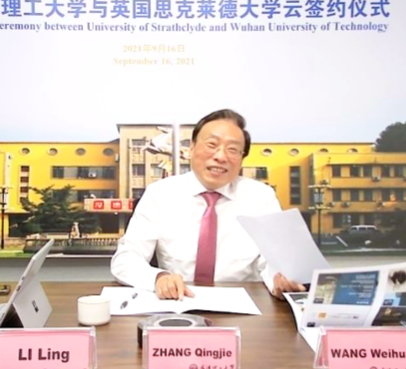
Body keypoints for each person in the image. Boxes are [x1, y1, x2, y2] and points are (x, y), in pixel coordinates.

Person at [111, 109, 302, 300]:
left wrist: (279, 281)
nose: (221, 156)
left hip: (241, 305)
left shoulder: (260, 197)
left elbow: (273, 261)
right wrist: (158, 278)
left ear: (241, 159)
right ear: (192, 148)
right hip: (178, 303)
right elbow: (126, 258)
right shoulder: (160, 193)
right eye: (212, 144)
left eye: (232, 149)